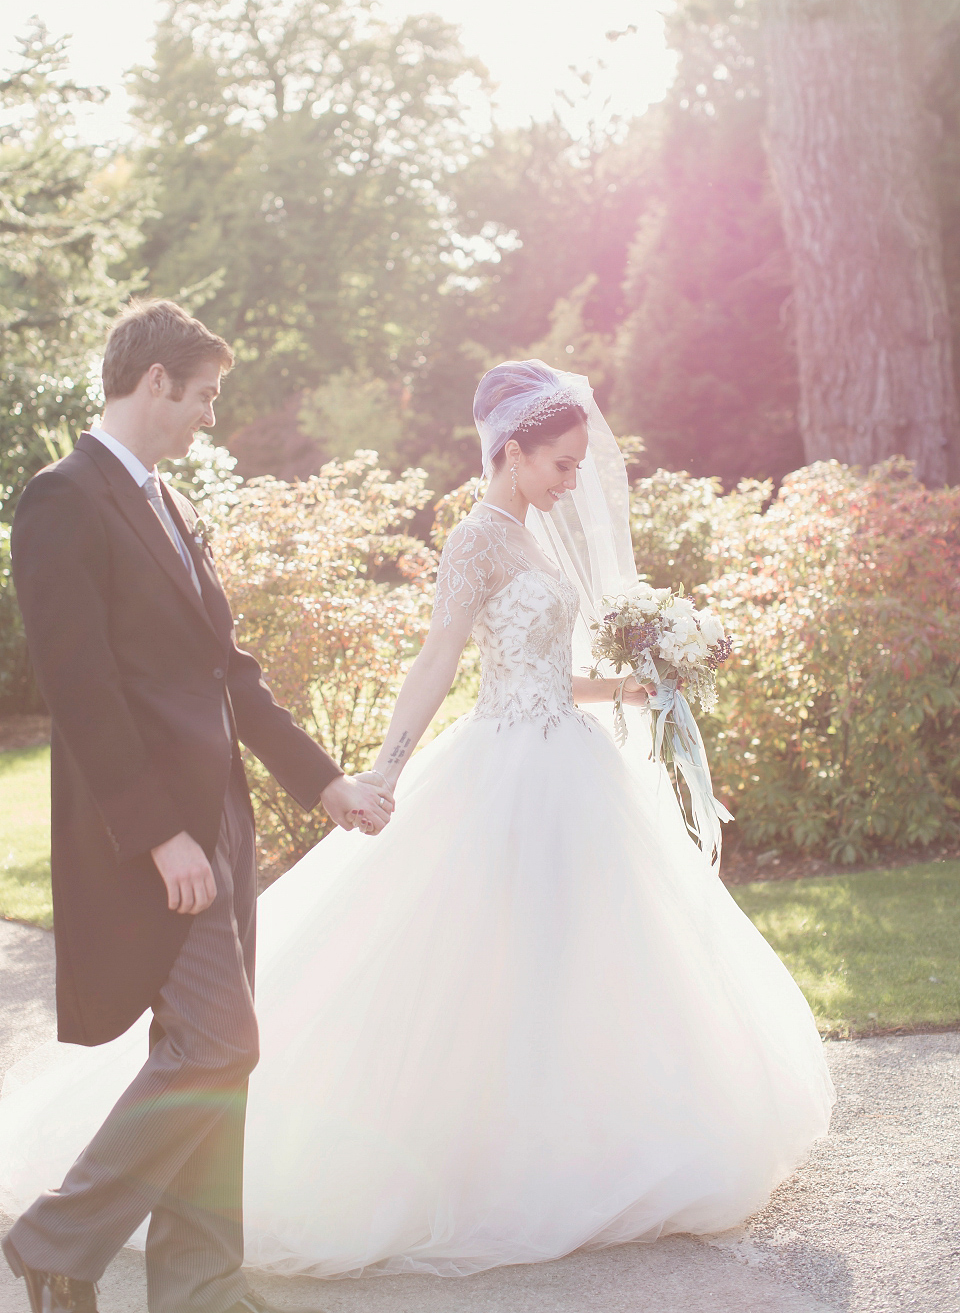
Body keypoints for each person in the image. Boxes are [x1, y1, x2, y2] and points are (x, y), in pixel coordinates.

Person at [0, 358, 834, 1285]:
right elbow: (442, 659)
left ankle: (572, 1144)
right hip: (507, 769)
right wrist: (382, 772)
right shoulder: (478, 539)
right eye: (560, 463)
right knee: (482, 965)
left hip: (570, 758)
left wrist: (623, 685)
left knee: (585, 958)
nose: (572, 482)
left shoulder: (540, 538)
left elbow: (548, 672)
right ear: (510, 454)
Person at [1, 300, 392, 1313]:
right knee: (219, 1044)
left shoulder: (169, 504)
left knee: (217, 1061)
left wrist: (322, 780)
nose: (213, 416)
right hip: (152, 837)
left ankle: (200, 1287)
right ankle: (55, 1235)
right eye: (207, 394)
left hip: (222, 823)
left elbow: (231, 674)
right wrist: (161, 834)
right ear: (155, 382)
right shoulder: (62, 499)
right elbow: (77, 688)